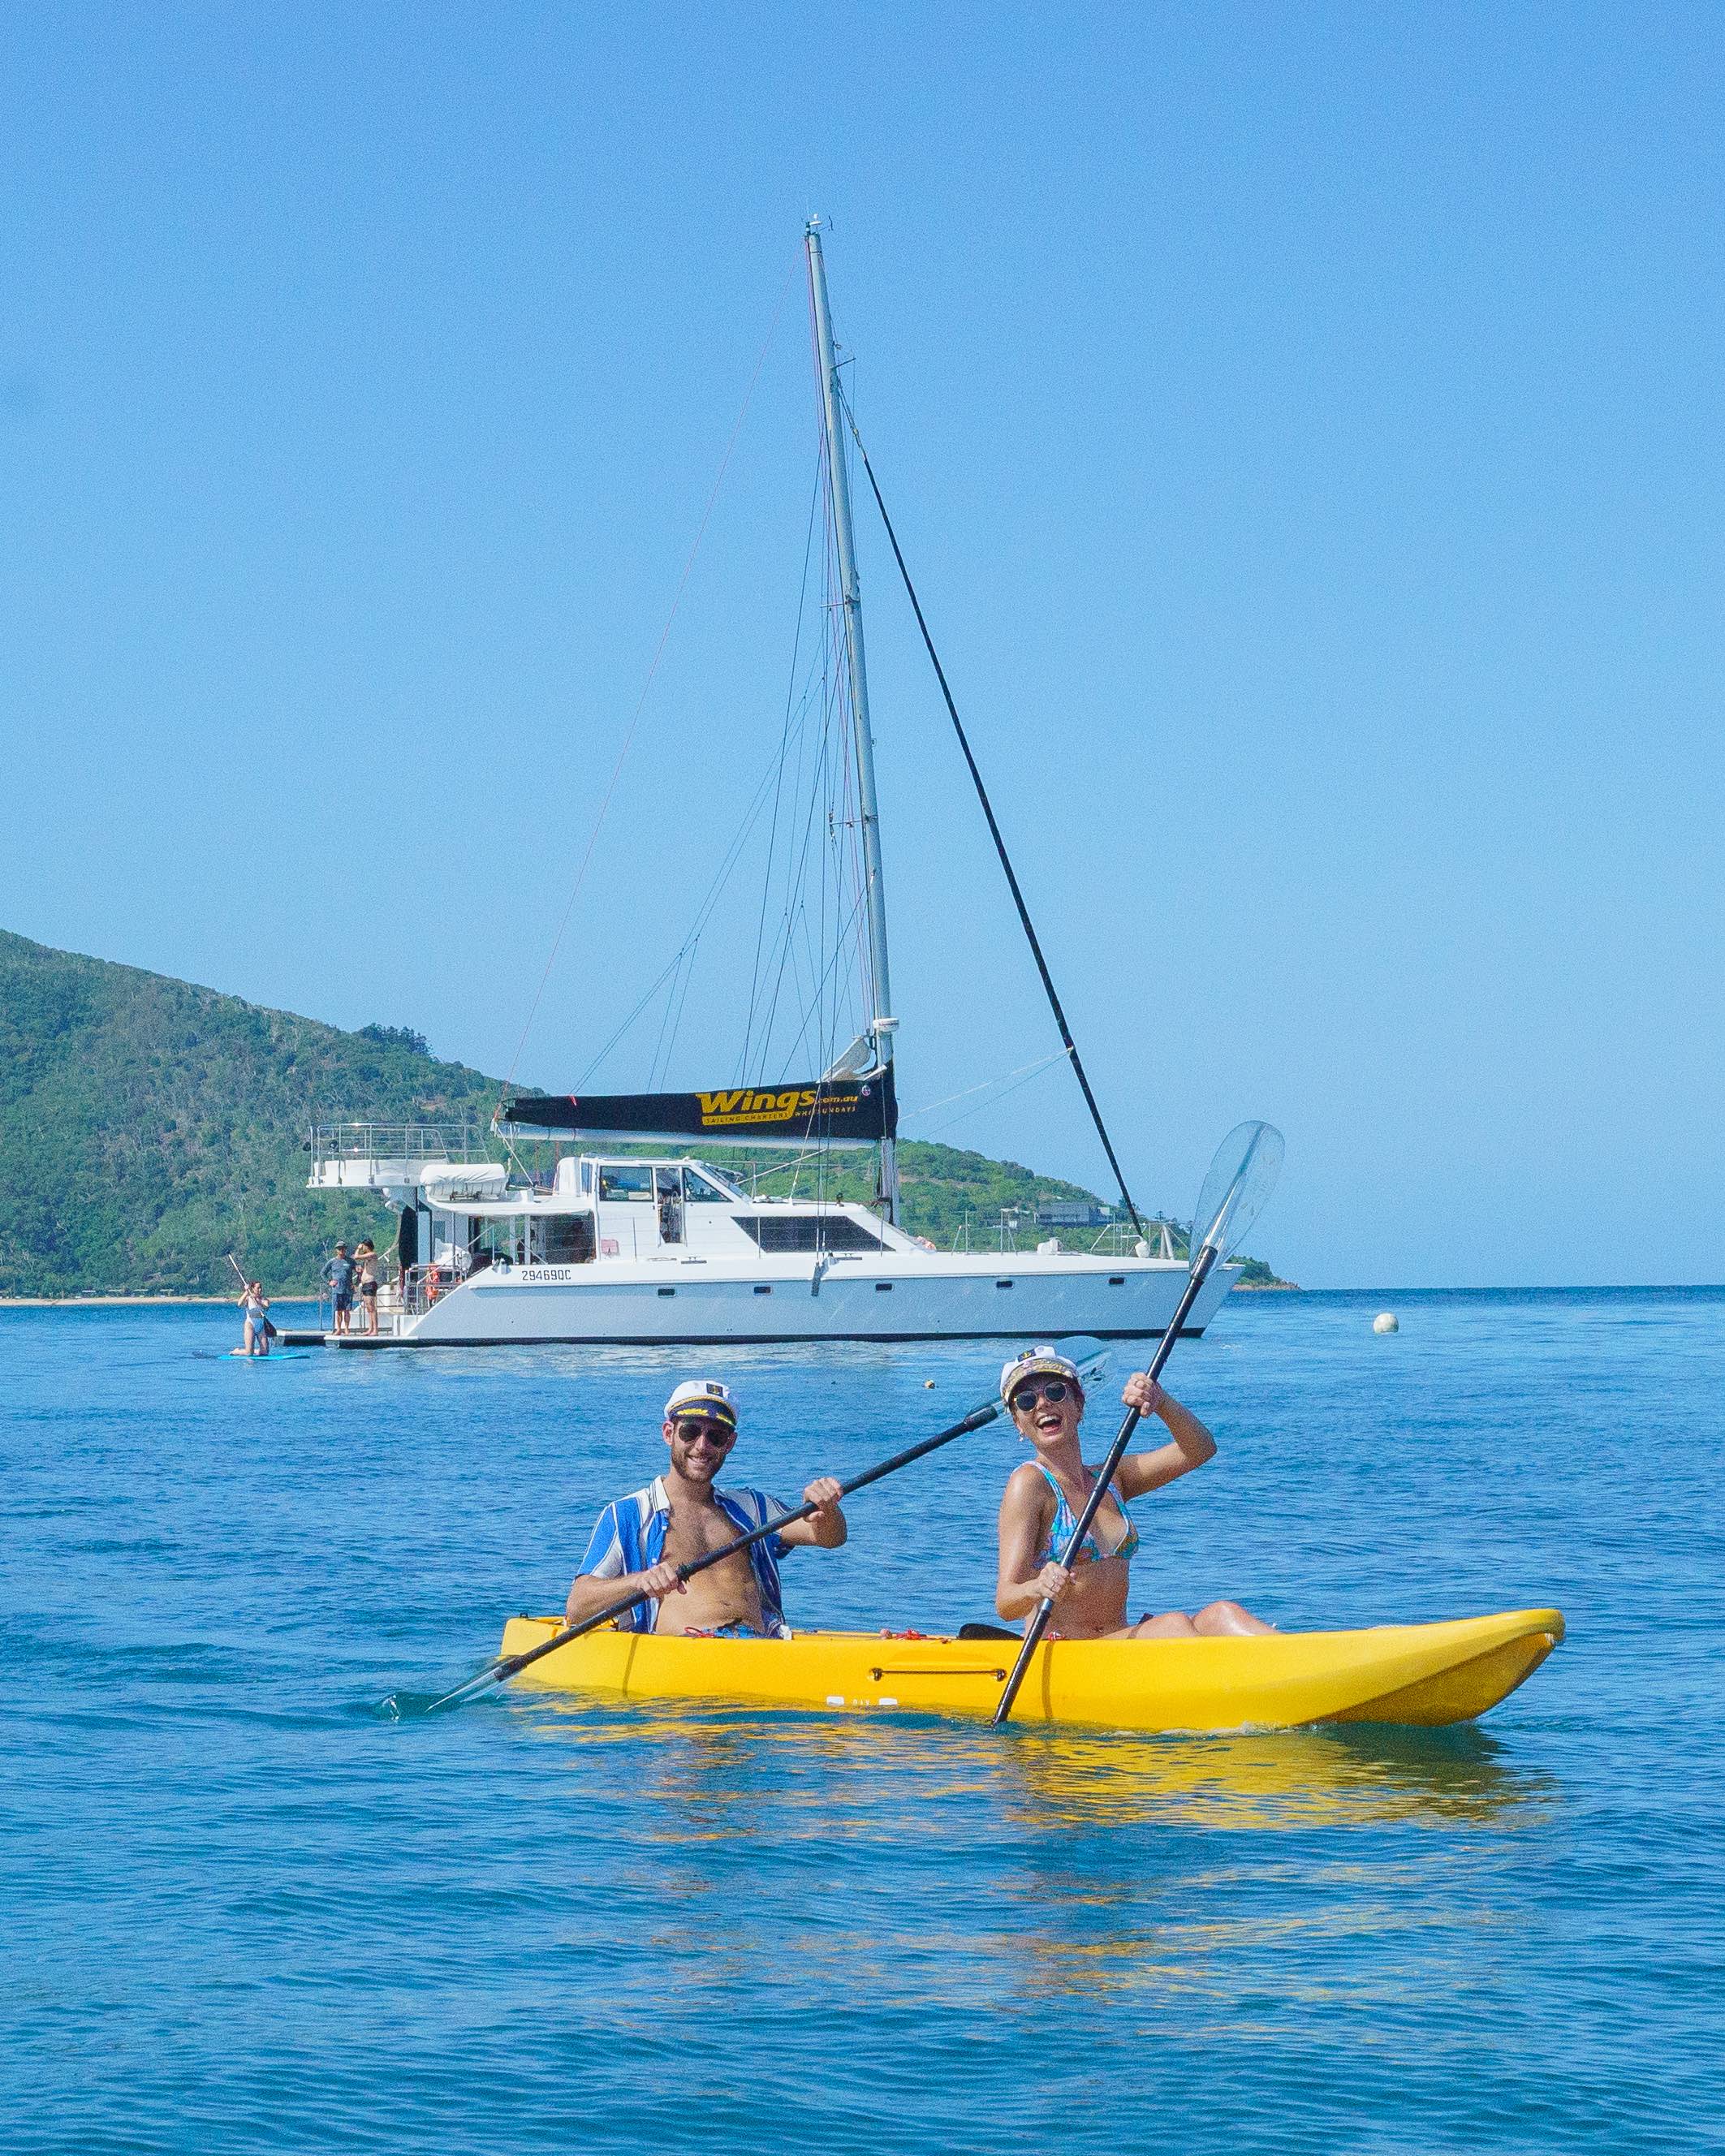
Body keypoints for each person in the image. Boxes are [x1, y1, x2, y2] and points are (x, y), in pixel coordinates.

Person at [994, 1346, 1272, 1641]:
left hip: (1119, 1641)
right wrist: (1037, 1587)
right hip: (1067, 1653)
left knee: (1222, 1614)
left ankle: (1304, 1662)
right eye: (1026, 1401)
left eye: (1055, 1392)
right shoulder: (1029, 1483)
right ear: (1018, 1422)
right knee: (1174, 1626)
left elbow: (1200, 1449)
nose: (1042, 1405)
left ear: (1078, 1405)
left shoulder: (1112, 1478)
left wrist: (1161, 1402)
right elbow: (1006, 1602)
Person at [565, 1379, 847, 1639]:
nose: (702, 1446)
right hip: (681, 1666)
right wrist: (640, 1582)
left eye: (716, 1437)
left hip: (761, 1648)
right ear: (668, 1433)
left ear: (730, 1444)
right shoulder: (627, 1515)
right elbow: (578, 1606)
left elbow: (828, 1537)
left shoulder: (753, 1508)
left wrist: (827, 1508)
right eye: (690, 1432)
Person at [321, 1242, 356, 1335]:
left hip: (348, 1290)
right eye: (340, 1248)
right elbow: (323, 1273)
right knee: (339, 1311)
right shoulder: (332, 1262)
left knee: (347, 1311)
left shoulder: (350, 1261)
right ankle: (339, 1329)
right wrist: (329, 1282)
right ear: (336, 1250)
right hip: (337, 1290)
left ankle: (347, 1329)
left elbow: (359, 1270)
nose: (342, 1250)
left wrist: (356, 1283)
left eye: (343, 1248)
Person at [237, 1280, 270, 1356]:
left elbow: (266, 1307)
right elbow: (239, 1304)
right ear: (253, 1289)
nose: (260, 1290)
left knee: (265, 1353)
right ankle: (237, 1351)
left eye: (261, 1288)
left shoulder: (264, 1299)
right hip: (250, 1324)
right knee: (249, 1354)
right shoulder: (248, 1299)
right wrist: (246, 1292)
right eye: (258, 1288)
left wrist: (257, 1300)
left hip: (261, 1324)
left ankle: (255, 1351)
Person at [354, 1240, 380, 1336]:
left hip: (370, 1283)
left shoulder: (373, 1254)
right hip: (365, 1284)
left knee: (372, 1307)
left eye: (364, 1246)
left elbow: (356, 1257)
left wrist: (358, 1248)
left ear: (367, 1246)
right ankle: (370, 1329)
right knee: (368, 1308)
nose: (362, 1248)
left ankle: (375, 1330)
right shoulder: (367, 1258)